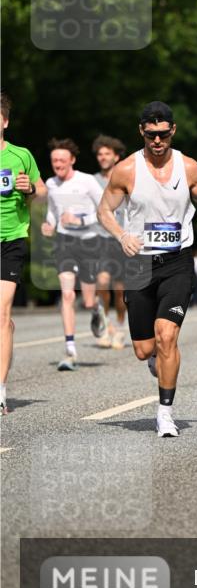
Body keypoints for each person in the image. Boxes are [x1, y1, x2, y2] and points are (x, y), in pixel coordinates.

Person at [97, 102, 197, 438]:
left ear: (173, 131)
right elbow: (104, 211)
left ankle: (165, 413)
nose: (157, 140)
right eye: (151, 134)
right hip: (138, 263)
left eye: (163, 134)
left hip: (177, 261)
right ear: (142, 132)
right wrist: (122, 235)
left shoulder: (190, 167)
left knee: (168, 337)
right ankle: (156, 359)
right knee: (144, 349)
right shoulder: (125, 171)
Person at [41, 138, 108, 370]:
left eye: (62, 159)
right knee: (67, 296)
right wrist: (48, 224)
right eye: (54, 160)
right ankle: (70, 350)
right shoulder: (50, 184)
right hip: (64, 242)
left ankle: (96, 306)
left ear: (72, 160)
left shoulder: (87, 181)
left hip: (88, 242)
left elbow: (105, 209)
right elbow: (52, 212)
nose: (57, 163)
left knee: (87, 300)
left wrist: (80, 220)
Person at [0, 92, 47, 412]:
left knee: (1, 314)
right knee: (3, 320)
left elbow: (42, 194)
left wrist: (30, 190)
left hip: (10, 241)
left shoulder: (21, 156)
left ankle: (0, 389)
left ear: (4, 121)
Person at [93, 135, 128, 348]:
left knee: (121, 290)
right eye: (100, 154)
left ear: (116, 156)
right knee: (102, 284)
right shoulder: (92, 180)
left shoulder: (126, 177)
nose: (103, 157)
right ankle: (106, 327)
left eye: (107, 153)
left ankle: (120, 327)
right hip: (100, 239)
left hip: (122, 238)